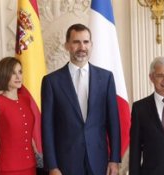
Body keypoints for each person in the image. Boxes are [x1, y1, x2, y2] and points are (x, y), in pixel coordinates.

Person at [41, 23, 121, 175]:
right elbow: (47, 127)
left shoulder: (106, 78)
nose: (82, 47)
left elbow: (113, 122)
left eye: (85, 42)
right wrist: (52, 166)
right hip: (66, 162)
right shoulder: (51, 82)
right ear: (67, 46)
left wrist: (114, 159)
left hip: (99, 160)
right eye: (76, 42)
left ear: (91, 45)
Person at [0, 57, 41, 175]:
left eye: (20, 72)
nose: (18, 76)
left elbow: (27, 132)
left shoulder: (26, 100)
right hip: (8, 169)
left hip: (31, 167)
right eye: (13, 73)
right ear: (4, 75)